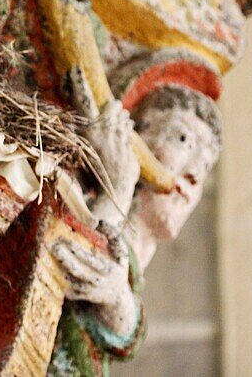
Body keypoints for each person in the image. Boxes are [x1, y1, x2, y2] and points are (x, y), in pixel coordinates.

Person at [48, 50, 223, 376]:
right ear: (131, 134)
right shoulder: (69, 199)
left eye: (207, 162)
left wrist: (119, 300)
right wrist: (118, 188)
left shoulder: (132, 270)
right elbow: (67, 267)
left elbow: (123, 325)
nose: (195, 174)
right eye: (182, 139)